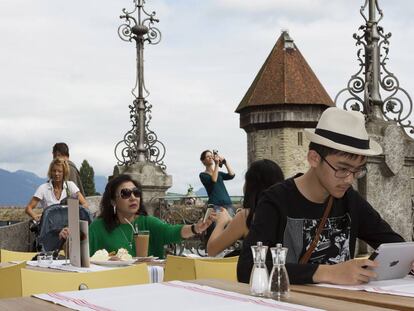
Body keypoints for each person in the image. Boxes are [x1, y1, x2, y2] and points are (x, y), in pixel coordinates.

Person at [237, 107, 407, 285]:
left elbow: (395, 245)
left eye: (357, 170)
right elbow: (247, 267)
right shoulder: (276, 200)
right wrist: (329, 273)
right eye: (342, 169)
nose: (349, 179)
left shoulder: (350, 199)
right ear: (314, 158)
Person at [88, 174, 214, 259]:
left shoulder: (148, 223)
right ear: (113, 201)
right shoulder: (98, 228)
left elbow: (172, 231)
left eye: (136, 193)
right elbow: (83, 259)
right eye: (125, 193)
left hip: (147, 284)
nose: (133, 197)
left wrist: (195, 228)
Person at [207, 159, 284, 257]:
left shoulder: (246, 216)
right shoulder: (287, 213)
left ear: (252, 186)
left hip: (257, 271)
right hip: (283, 270)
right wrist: (232, 220)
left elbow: (212, 250)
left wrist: (221, 223)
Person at [199, 150, 235, 216]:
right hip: (215, 205)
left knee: (231, 224)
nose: (210, 157)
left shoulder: (219, 173)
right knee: (218, 225)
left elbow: (232, 175)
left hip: (227, 203)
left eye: (211, 156)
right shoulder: (203, 175)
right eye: (207, 156)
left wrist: (225, 162)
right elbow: (214, 180)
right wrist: (217, 164)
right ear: (203, 161)